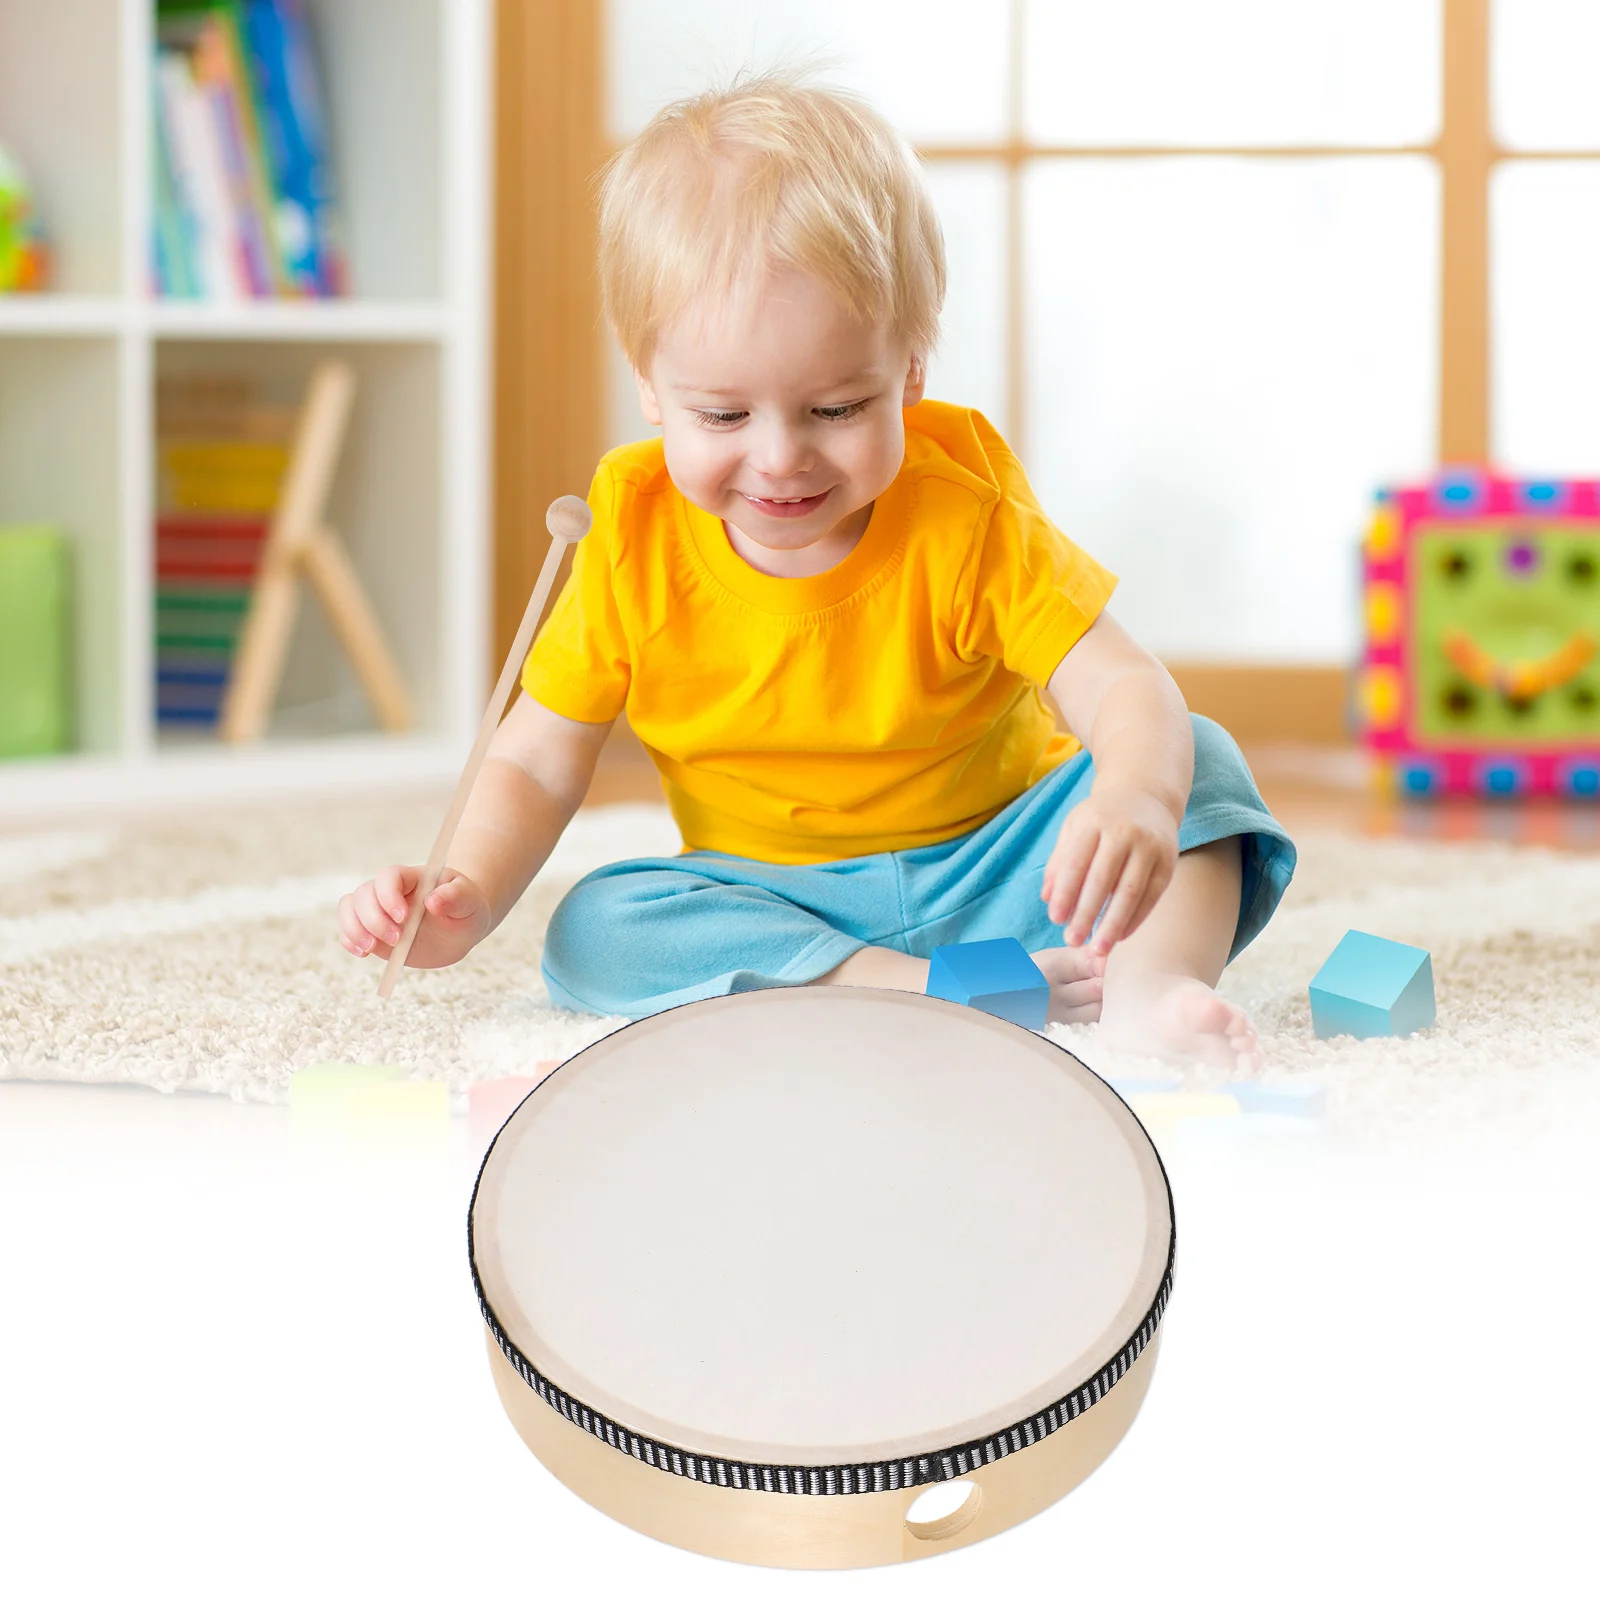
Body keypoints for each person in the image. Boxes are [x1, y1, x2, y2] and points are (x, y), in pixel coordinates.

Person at [338, 70, 1296, 1070]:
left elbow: (1122, 682)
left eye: (836, 409)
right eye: (722, 414)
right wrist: (465, 887)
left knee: (1195, 760)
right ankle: (922, 989)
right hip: (779, 902)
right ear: (648, 383)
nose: (780, 456)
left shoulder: (965, 516)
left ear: (910, 368)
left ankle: (1148, 991)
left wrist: (1133, 800)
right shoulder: (629, 534)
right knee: (595, 928)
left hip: (1005, 871)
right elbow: (536, 761)